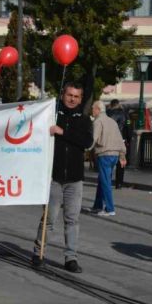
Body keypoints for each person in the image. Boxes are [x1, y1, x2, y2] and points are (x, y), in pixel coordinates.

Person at [32, 82, 93, 273]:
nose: (72, 99)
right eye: (69, 95)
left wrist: (63, 132)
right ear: (63, 95)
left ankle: (71, 258)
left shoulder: (84, 120)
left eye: (76, 96)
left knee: (72, 220)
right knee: (49, 219)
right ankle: (38, 252)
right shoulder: (52, 116)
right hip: (54, 177)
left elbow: (87, 142)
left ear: (81, 99)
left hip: (74, 179)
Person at [90, 100, 126, 216]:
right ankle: (97, 206)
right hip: (114, 155)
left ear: (98, 110)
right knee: (103, 180)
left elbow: (93, 139)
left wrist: (85, 148)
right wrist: (122, 155)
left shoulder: (98, 121)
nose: (92, 111)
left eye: (93, 109)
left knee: (105, 182)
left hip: (104, 154)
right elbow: (120, 139)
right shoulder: (112, 121)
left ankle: (109, 209)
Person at [106, 99, 129, 188]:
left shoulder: (107, 113)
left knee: (109, 161)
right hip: (121, 139)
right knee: (121, 162)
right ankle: (119, 183)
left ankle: (107, 181)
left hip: (109, 140)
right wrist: (128, 139)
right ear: (119, 105)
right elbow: (128, 126)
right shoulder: (124, 114)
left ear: (111, 105)